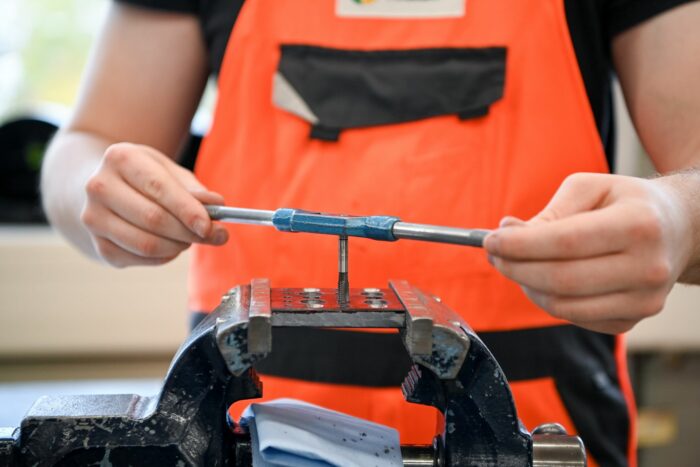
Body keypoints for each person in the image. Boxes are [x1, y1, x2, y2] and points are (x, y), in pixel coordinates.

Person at [40, 1, 700, 466]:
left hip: (534, 435)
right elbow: (85, 146)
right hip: (237, 438)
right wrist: (99, 188)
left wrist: (680, 217)